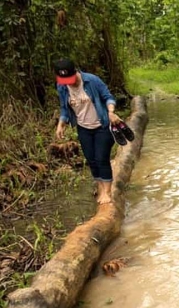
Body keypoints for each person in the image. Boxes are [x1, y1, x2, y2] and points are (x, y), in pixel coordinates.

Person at [53, 58, 125, 204]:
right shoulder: (62, 87)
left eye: (70, 79)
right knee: (91, 160)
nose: (68, 83)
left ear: (76, 72)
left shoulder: (92, 81)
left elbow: (108, 97)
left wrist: (111, 112)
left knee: (101, 158)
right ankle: (100, 187)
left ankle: (107, 192)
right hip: (83, 127)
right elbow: (64, 108)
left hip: (102, 125)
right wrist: (61, 123)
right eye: (64, 80)